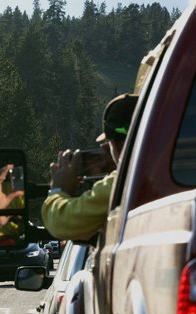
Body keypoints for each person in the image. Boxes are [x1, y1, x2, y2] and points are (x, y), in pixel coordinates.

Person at [41, 93, 138, 241]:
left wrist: (58, 189)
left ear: (116, 145)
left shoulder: (123, 183)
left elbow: (62, 222)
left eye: (109, 142)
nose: (104, 146)